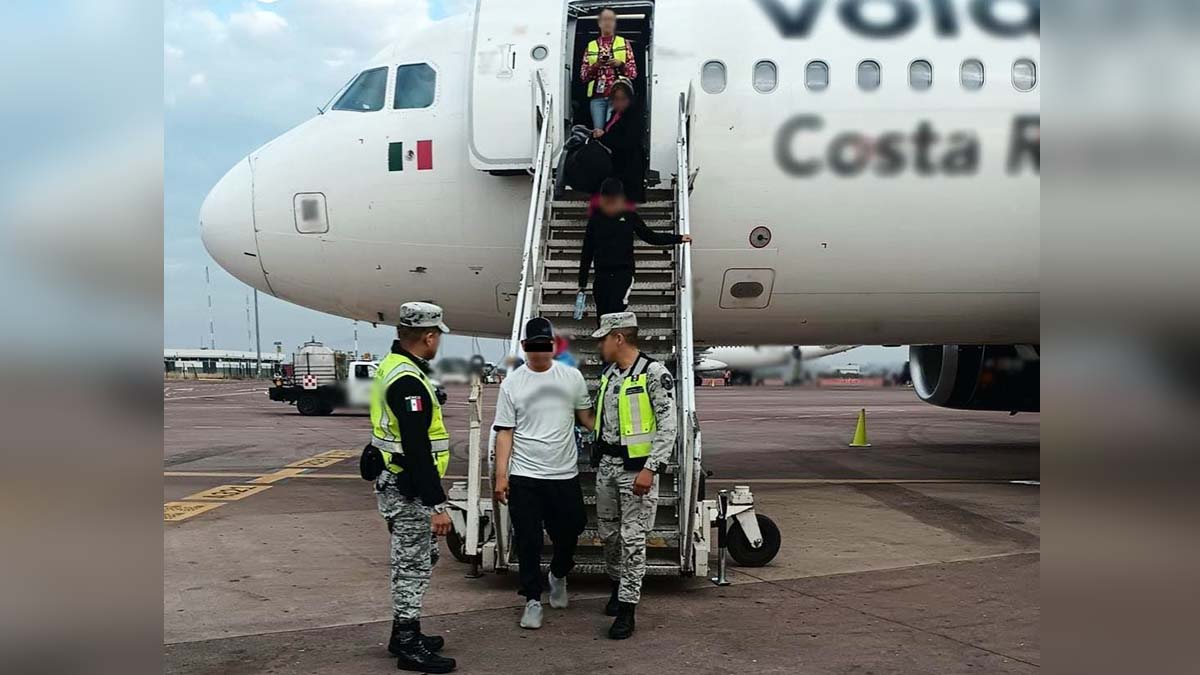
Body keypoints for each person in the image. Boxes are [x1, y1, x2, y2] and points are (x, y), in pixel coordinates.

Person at [365, 302, 457, 673]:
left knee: (418, 559)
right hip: (410, 488)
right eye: (438, 337)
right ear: (429, 336)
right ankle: (406, 642)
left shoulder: (394, 367)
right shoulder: (408, 381)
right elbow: (418, 448)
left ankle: (403, 631)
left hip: (398, 481)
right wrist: (437, 504)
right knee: (413, 565)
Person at [492, 318, 595, 629]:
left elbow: (585, 418)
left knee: (572, 528)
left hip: (563, 473)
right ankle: (532, 599)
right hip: (525, 475)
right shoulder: (512, 383)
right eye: (533, 346)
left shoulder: (571, 378)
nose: (539, 352)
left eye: (544, 345)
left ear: (552, 346)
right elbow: (505, 432)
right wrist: (501, 475)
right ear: (525, 348)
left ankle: (559, 573)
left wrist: (614, 436)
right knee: (528, 539)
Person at [590, 312, 677, 639]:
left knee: (633, 539)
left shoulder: (653, 373)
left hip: (636, 470)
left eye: (603, 338)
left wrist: (651, 468)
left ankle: (628, 607)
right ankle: (616, 585)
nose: (600, 344)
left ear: (619, 338)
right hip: (608, 468)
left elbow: (668, 426)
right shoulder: (610, 375)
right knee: (609, 535)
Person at [578, 178, 692, 321]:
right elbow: (587, 252)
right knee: (602, 315)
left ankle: (616, 340)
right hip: (602, 275)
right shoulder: (596, 220)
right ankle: (605, 342)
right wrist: (582, 282)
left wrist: (678, 238)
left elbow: (650, 236)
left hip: (623, 273)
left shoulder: (629, 216)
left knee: (616, 311)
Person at [580, 7, 637, 130]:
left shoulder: (624, 43)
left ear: (615, 23)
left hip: (618, 97)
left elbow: (633, 74)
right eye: (605, 19)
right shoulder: (591, 46)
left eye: (611, 20)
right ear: (599, 23)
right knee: (599, 132)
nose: (608, 23)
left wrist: (620, 64)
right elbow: (583, 76)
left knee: (614, 131)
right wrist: (596, 65)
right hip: (597, 98)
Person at [591, 79, 646, 203]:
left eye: (623, 99)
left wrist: (603, 137)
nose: (619, 103)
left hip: (629, 168)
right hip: (618, 168)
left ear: (630, 99)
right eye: (616, 99)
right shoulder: (615, 115)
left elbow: (627, 141)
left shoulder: (634, 116)